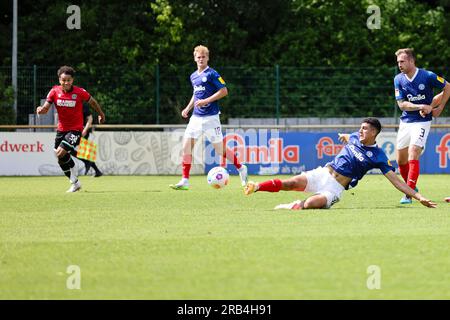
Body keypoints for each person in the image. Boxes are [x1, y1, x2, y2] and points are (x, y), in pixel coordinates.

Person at [244, 118, 436, 210]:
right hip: (323, 173)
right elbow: (348, 136)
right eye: (360, 128)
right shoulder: (354, 137)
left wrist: (418, 197)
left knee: (312, 203)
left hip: (336, 188)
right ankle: (257, 186)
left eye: (364, 129)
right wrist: (344, 137)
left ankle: (294, 205)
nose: (360, 131)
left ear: (374, 133)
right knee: (290, 183)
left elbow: (397, 182)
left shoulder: (378, 156)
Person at [170, 45, 248, 190]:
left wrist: (206, 101)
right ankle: (185, 180)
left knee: (220, 151)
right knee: (186, 147)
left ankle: (241, 167)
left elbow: (224, 91)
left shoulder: (212, 74)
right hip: (196, 118)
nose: (201, 59)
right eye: (198, 57)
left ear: (207, 58)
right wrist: (188, 108)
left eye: (203, 57)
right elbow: (196, 93)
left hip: (211, 118)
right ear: (194, 58)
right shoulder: (193, 76)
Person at [36, 66, 106, 192]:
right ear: (59, 80)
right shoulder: (54, 92)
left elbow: (93, 102)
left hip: (75, 129)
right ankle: (75, 182)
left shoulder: (79, 92)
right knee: (59, 157)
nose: (66, 83)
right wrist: (41, 110)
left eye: (68, 80)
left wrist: (101, 113)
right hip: (61, 129)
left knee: (60, 153)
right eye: (63, 80)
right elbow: (46, 108)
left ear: (72, 80)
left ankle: (74, 172)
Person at [394, 48, 450, 204]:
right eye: (398, 62)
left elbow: (448, 87)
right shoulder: (398, 79)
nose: (400, 64)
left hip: (422, 122)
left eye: (403, 61)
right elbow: (402, 104)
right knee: (400, 161)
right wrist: (420, 106)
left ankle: (408, 194)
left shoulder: (428, 76)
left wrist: (440, 107)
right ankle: (412, 188)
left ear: (412, 61)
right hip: (406, 122)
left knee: (414, 151)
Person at [73, 103, 103, 177]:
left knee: (68, 148)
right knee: (83, 152)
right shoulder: (70, 103)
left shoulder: (83, 105)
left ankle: (89, 164)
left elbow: (90, 118)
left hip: (81, 131)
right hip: (73, 130)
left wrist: (85, 130)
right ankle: (96, 170)